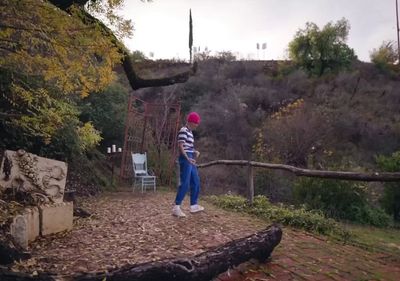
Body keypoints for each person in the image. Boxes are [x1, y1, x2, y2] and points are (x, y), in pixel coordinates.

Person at [172, 112, 204, 217]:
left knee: (196, 181)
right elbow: (181, 146)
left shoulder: (190, 132)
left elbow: (188, 146)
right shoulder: (183, 130)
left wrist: (195, 151)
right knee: (185, 183)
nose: (197, 125)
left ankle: (194, 205)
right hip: (185, 158)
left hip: (190, 157)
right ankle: (176, 207)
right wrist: (187, 158)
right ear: (191, 122)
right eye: (196, 123)